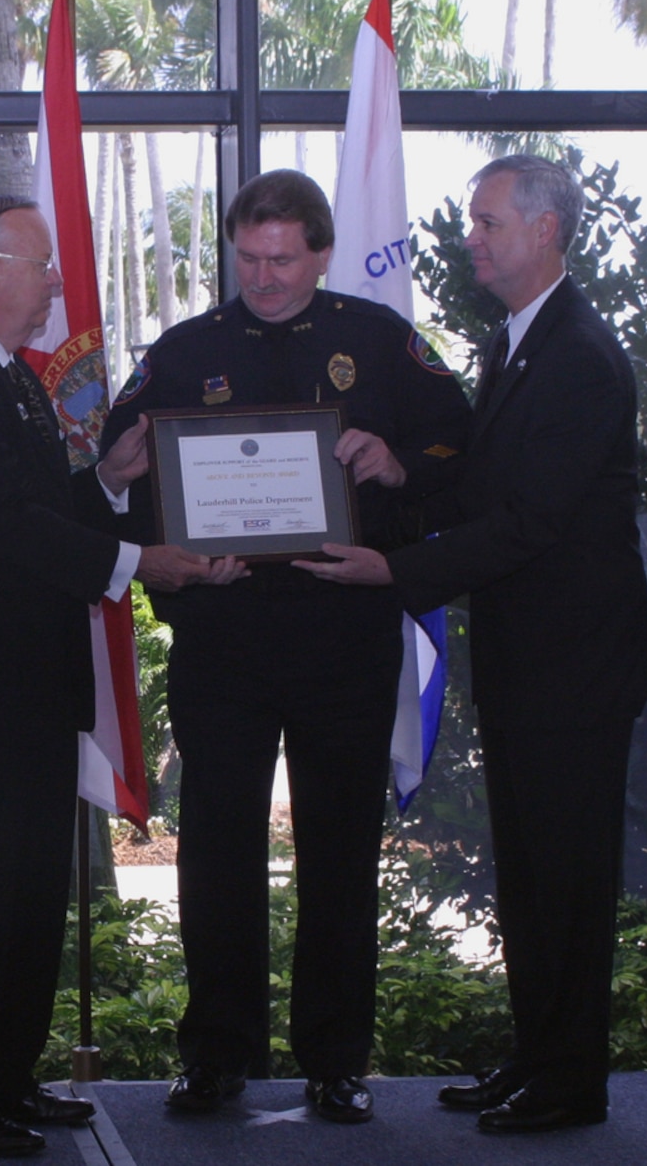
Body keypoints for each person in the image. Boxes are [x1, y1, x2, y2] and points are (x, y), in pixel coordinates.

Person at [100, 169, 470, 1125]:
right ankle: (217, 1055)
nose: (261, 276)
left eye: (281, 258)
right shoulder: (186, 351)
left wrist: (396, 465)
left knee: (340, 851)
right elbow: (123, 474)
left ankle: (337, 1059)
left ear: (321, 252)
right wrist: (168, 560)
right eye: (248, 257)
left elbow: (460, 453)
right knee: (216, 850)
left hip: (343, 632)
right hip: (223, 638)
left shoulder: (380, 342)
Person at [299, 154, 647, 1134]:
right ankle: (537, 1055)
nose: (469, 239)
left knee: (569, 873)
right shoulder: (519, 343)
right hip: (529, 655)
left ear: (543, 231)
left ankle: (569, 1080)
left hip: (574, 661)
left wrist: (393, 572)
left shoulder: (578, 355)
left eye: (486, 223)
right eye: (470, 222)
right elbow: (482, 491)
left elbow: (529, 522)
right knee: (533, 866)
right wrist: (395, 471)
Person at [0, 195, 221, 1158]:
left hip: (17, 689)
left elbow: (34, 507)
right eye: (42, 265)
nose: (57, 282)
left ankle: (5, 1080)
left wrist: (106, 482)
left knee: (25, 898)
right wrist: (136, 562)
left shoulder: (5, 377)